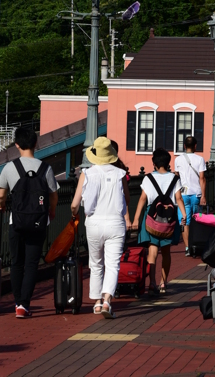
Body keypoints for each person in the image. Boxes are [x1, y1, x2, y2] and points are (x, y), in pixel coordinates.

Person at [0, 126, 59, 319]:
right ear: (35, 143)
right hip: (39, 221)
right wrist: (51, 213)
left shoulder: (9, 167)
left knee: (16, 263)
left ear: (16, 145)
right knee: (32, 263)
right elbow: (53, 196)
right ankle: (24, 304)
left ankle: (17, 302)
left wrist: (2, 205)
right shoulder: (45, 168)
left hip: (17, 221)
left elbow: (1, 194)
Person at [69, 136, 132, 318]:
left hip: (94, 223)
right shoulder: (120, 174)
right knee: (112, 265)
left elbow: (75, 204)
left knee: (96, 264)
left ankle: (96, 303)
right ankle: (107, 301)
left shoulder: (87, 173)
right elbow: (127, 199)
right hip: (115, 223)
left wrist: (75, 214)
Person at [132, 148, 186, 294]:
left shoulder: (148, 178)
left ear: (154, 163)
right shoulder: (174, 179)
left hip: (152, 218)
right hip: (169, 218)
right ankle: (163, 282)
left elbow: (143, 198)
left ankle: (153, 282)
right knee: (166, 252)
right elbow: (179, 198)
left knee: (153, 251)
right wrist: (184, 214)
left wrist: (136, 218)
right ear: (168, 163)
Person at [175, 135, 207, 256]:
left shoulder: (178, 160)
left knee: (184, 221)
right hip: (197, 194)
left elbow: (177, 177)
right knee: (196, 220)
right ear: (195, 146)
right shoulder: (200, 159)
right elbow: (202, 179)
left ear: (184, 146)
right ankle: (196, 245)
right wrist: (203, 196)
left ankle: (188, 248)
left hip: (182, 195)